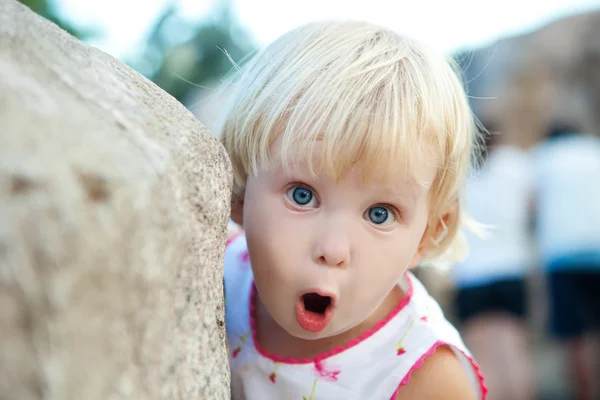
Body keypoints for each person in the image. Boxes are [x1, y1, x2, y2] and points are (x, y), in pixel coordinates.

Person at [219, 21, 487, 399]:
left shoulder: (425, 376)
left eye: (380, 213)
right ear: (238, 193)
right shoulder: (221, 272)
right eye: (301, 195)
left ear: (427, 236)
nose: (333, 249)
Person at [451, 126, 535, 400]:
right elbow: (533, 205)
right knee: (513, 349)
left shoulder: (460, 174)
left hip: (471, 273)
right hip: (511, 268)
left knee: (483, 355)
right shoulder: (513, 164)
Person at [532, 123, 600, 400]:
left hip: (563, 256)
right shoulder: (595, 150)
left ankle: (584, 392)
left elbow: (530, 205)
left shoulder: (542, 156)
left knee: (575, 336)